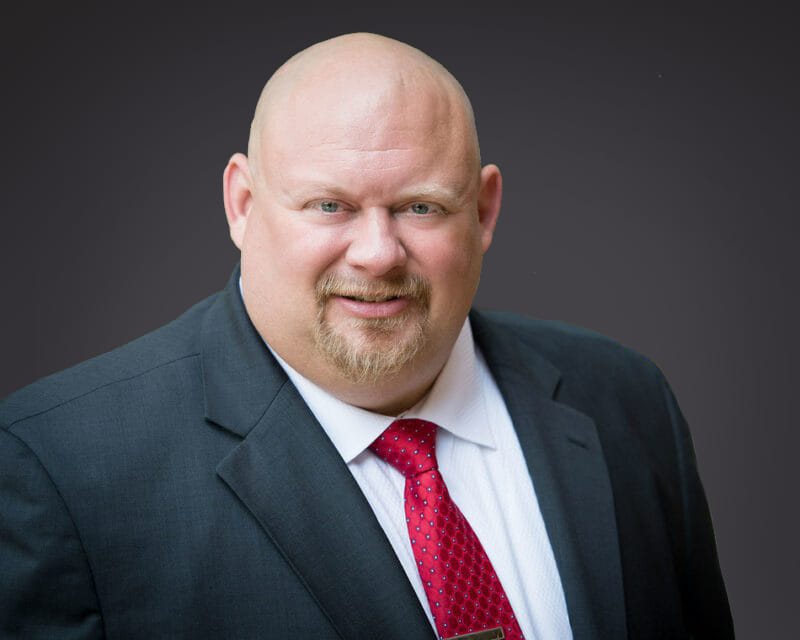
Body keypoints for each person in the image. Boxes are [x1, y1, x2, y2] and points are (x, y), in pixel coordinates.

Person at [0, 33, 733, 639]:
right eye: (329, 205)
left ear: (483, 211)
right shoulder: (61, 474)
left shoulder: (628, 403)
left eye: (420, 206)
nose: (378, 253)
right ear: (243, 204)